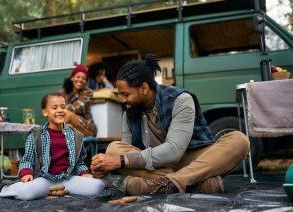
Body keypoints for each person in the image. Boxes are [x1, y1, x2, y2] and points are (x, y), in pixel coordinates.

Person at [90, 54, 250, 195]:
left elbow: (174, 150)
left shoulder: (180, 100)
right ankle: (194, 183)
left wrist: (122, 161)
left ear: (144, 88)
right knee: (113, 148)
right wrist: (107, 166)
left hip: (191, 159)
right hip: (156, 165)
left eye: (126, 94)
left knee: (239, 140)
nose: (123, 100)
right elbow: (126, 151)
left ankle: (169, 183)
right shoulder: (129, 112)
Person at [0, 92, 105, 200]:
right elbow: (27, 159)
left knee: (97, 186)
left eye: (63, 107)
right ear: (45, 112)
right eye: (54, 108)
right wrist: (26, 172)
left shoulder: (76, 136)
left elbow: (80, 162)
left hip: (68, 180)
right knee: (26, 193)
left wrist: (84, 173)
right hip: (44, 180)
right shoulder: (36, 134)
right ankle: (4, 188)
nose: (60, 111)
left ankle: (61, 192)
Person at [61, 64, 97, 137]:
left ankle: (53, 133)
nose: (80, 80)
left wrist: (59, 109)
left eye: (83, 78)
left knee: (68, 113)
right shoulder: (64, 92)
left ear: (86, 81)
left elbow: (77, 107)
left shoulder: (88, 92)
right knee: (68, 126)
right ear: (72, 78)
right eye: (78, 77)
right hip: (72, 126)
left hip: (87, 128)